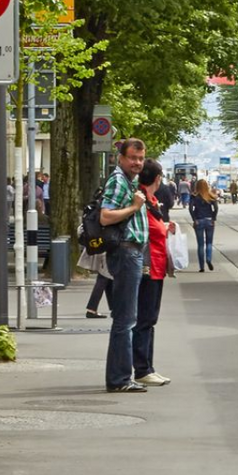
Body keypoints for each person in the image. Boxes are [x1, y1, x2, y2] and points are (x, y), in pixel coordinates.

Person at [98, 139, 152, 393]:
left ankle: (120, 377)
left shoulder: (128, 181)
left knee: (126, 318)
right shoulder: (119, 181)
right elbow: (105, 216)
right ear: (121, 157)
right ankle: (119, 379)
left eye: (141, 159)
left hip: (131, 254)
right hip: (125, 253)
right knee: (125, 320)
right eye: (132, 158)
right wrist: (134, 207)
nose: (137, 163)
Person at [132, 160, 173, 387]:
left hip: (155, 268)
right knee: (144, 319)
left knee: (149, 319)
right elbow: (144, 233)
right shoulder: (142, 202)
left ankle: (147, 367)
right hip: (146, 268)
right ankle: (142, 368)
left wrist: (166, 228)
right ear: (157, 178)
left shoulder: (152, 202)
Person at [188, 177, 220, 270]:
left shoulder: (194, 196)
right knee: (209, 243)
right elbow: (216, 208)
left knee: (200, 244)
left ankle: (201, 267)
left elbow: (190, 208)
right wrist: (213, 218)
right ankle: (209, 259)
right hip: (209, 220)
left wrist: (194, 219)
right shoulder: (211, 195)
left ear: (197, 186)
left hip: (199, 220)